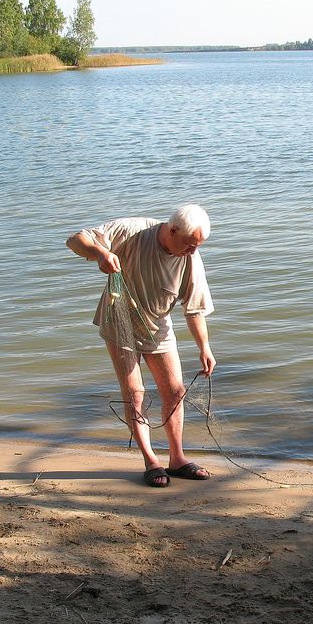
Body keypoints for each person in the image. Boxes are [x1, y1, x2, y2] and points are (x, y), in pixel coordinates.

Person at [66, 204, 217, 488]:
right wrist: (100, 253)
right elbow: (75, 240)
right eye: (190, 244)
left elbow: (195, 309)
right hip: (119, 323)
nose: (193, 251)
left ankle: (177, 459)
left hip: (158, 326)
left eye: (198, 246)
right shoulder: (132, 231)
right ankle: (151, 461)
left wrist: (204, 348)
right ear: (173, 230)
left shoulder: (191, 258)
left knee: (175, 391)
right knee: (135, 393)